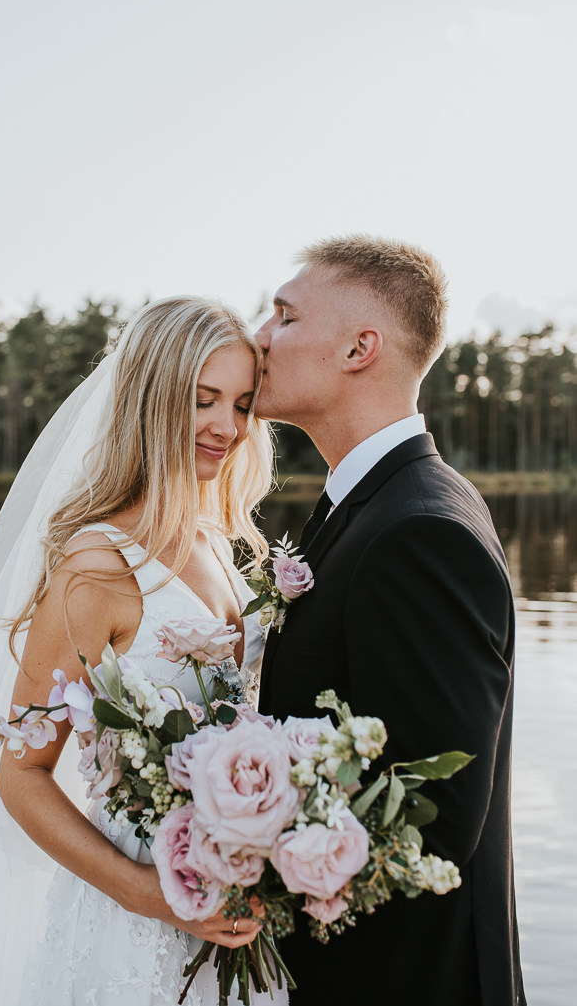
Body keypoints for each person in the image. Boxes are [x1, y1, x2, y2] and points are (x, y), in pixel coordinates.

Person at [0, 296, 282, 1006]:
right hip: (132, 920)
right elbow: (23, 775)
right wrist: (150, 895)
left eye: (244, 405)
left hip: (235, 913)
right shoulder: (97, 566)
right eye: (205, 400)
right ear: (153, 400)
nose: (229, 427)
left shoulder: (219, 543)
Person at [255, 236, 526, 1006]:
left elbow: (428, 827)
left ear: (358, 347)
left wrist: (225, 836)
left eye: (283, 314)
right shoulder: (374, 504)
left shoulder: (418, 532)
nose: (260, 335)